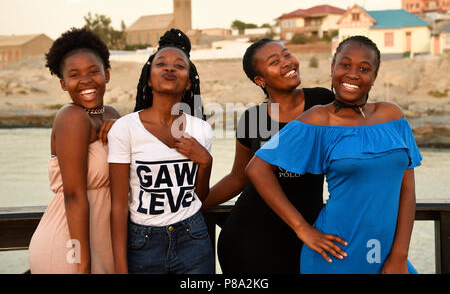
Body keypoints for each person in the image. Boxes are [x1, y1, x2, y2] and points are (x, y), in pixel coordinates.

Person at [246, 35, 421, 274]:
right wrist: (302, 229)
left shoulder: (393, 115)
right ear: (332, 69)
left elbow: (407, 188)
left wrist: (400, 256)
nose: (353, 74)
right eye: (345, 65)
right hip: (335, 255)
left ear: (374, 77)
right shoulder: (318, 119)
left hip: (390, 255)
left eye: (364, 68)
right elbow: (257, 168)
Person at [202, 38, 334, 273]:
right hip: (249, 239)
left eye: (287, 54)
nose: (286, 63)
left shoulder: (322, 101)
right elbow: (238, 178)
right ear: (259, 80)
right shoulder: (253, 118)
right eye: (275, 62)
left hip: (306, 234)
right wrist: (193, 205)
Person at [108, 29, 214, 274]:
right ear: (149, 78)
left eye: (179, 65)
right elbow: (118, 205)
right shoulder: (125, 128)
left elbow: (200, 196)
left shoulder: (201, 130)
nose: (170, 69)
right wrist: (120, 267)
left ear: (188, 82)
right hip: (142, 243)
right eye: (161, 64)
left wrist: (206, 162)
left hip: (193, 238)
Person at [28, 28, 120, 273]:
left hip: (104, 243)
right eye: (74, 74)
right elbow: (74, 195)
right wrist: (82, 265)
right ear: (63, 83)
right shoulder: (71, 117)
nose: (86, 80)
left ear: (107, 74)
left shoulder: (112, 116)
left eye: (93, 71)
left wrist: (123, 131)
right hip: (69, 247)